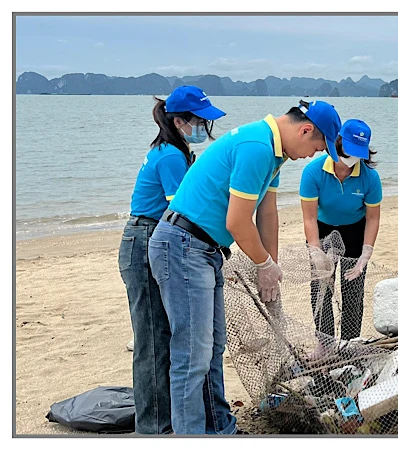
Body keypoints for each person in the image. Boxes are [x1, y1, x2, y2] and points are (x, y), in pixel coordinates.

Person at [147, 99, 342, 434]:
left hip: (206, 249)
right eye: (318, 146)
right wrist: (262, 263)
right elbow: (237, 222)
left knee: (213, 347)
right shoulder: (257, 147)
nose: (314, 154)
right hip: (182, 246)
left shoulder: (275, 151)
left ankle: (219, 428)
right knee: (191, 355)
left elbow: (267, 215)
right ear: (305, 129)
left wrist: (272, 270)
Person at [118, 85, 225, 434]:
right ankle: (153, 429)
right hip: (148, 237)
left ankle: (170, 422)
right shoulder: (171, 157)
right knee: (152, 339)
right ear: (179, 121)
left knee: (170, 336)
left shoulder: (174, 151)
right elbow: (182, 209)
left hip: (154, 236)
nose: (204, 129)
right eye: (199, 121)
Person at [299, 119, 382, 345]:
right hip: (322, 229)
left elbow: (373, 218)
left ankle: (349, 344)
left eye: (358, 153)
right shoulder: (313, 172)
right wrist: (315, 252)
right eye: (348, 151)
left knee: (353, 290)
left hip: (356, 230)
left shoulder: (370, 178)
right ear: (337, 143)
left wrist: (366, 253)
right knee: (321, 289)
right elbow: (309, 217)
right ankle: (325, 344)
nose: (351, 159)